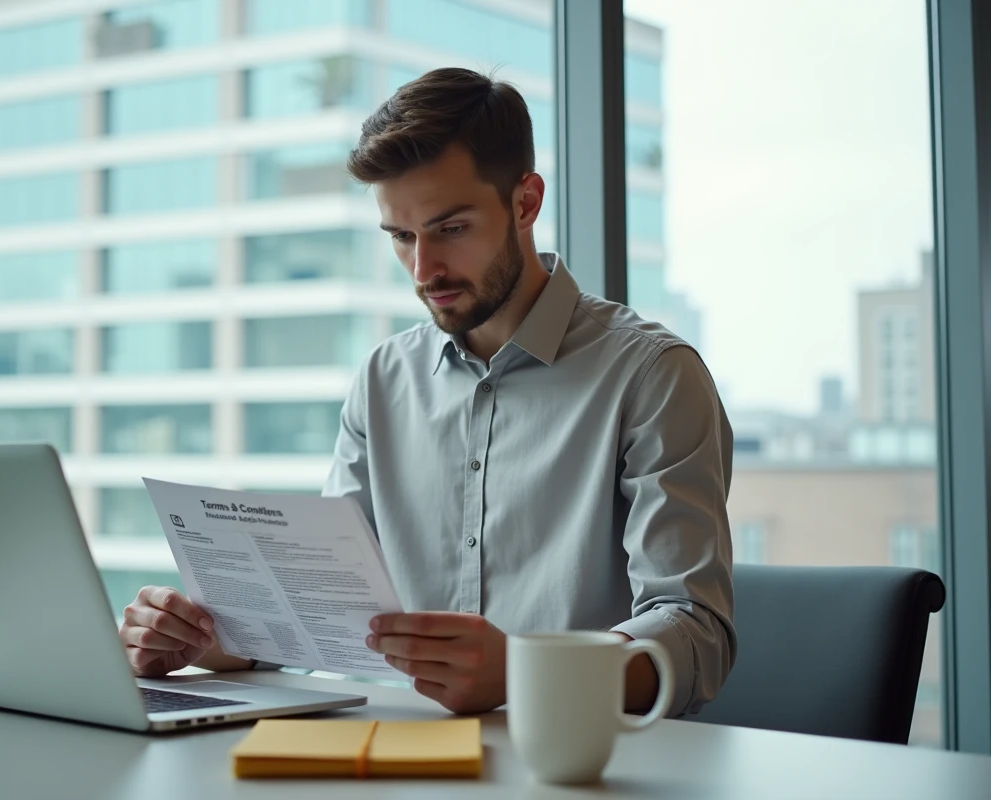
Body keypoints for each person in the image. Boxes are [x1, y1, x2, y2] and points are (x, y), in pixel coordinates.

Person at [119, 67, 736, 717]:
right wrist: (212, 640)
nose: (424, 269)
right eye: (402, 237)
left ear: (525, 202)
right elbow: (329, 610)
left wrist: (528, 674)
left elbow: (696, 633)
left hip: (576, 767)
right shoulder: (383, 381)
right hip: (394, 758)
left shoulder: (652, 374)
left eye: (450, 229)